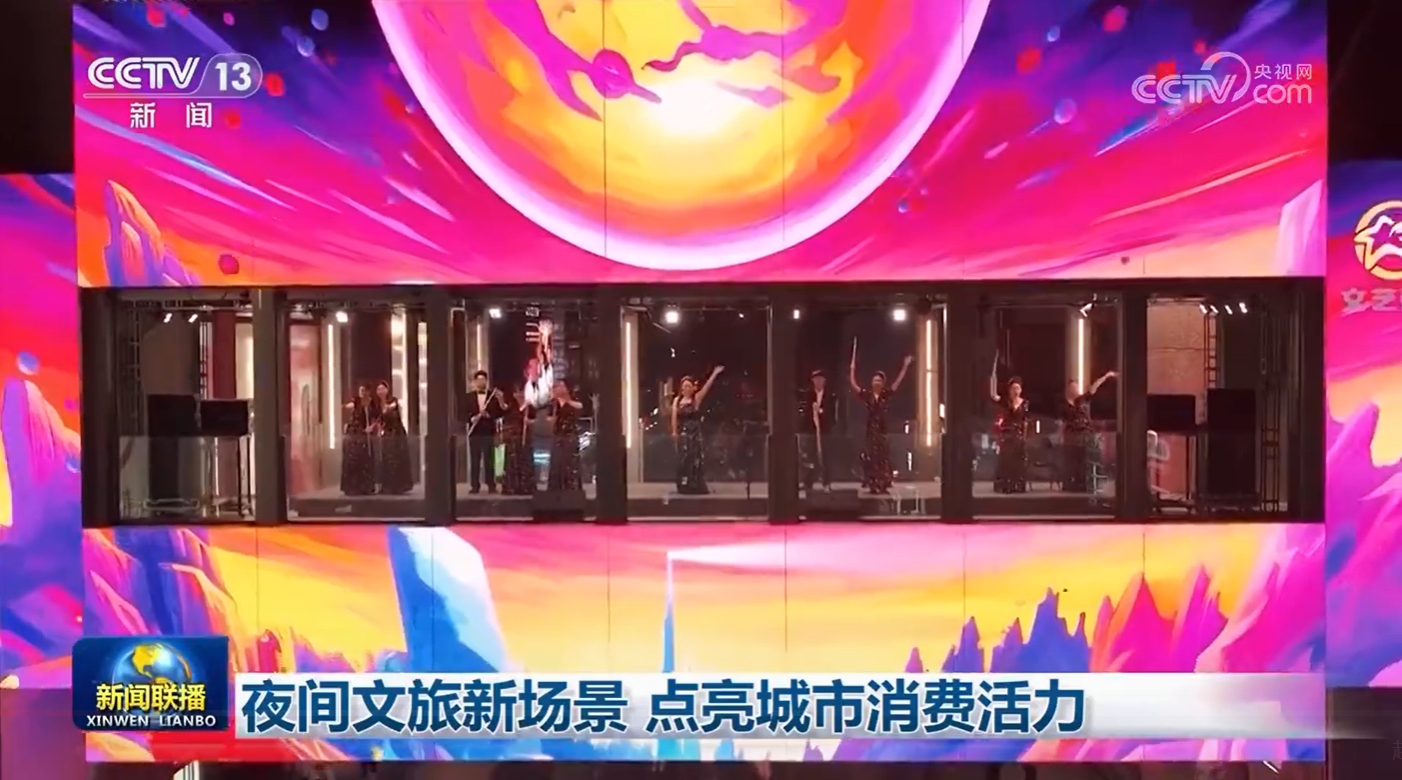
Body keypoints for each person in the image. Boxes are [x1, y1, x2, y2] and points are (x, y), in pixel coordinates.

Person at [850, 342, 912, 495]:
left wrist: (905, 366)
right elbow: (854, 385)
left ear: (882, 383)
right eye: (874, 380)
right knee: (870, 456)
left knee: (882, 456)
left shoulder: (885, 394)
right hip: (871, 430)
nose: (876, 383)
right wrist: (852, 370)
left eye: (879, 381)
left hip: (882, 430)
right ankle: (872, 482)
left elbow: (898, 382)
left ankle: (883, 482)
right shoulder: (867, 395)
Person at [1060, 371, 1116, 492]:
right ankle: (1072, 484)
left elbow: (1093, 388)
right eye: (1072, 387)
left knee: (1086, 459)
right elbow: (1063, 422)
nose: (1075, 389)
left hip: (1086, 434)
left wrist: (1106, 376)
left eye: (1076, 387)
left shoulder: (1082, 400)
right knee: (1073, 461)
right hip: (1072, 437)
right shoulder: (1064, 406)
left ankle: (1085, 483)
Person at [671, 365, 723, 495]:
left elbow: (706, 387)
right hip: (683, 434)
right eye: (684, 386)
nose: (686, 389)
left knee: (695, 458)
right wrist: (674, 432)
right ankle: (684, 484)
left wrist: (714, 374)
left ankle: (695, 484)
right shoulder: (677, 401)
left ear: (692, 388)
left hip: (694, 433)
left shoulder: (696, 399)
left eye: (689, 386)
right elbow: (674, 417)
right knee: (683, 459)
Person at [988, 353, 1029, 494]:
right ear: (1009, 390)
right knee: (1006, 460)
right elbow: (993, 396)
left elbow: (1026, 420)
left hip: (1018, 435)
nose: (1015, 391)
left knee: (1018, 460)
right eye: (1013, 388)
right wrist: (992, 378)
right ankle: (1005, 485)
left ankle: (1017, 485)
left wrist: (1025, 435)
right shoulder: (1005, 402)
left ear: (1021, 390)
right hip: (1007, 434)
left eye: (1017, 388)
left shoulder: (1025, 403)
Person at [463, 370, 505, 493]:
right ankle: (475, 486)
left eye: (483, 380)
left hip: (488, 432)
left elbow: (499, 413)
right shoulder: (468, 397)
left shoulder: (492, 396)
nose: (481, 382)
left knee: (489, 461)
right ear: (475, 382)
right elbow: (463, 412)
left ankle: (491, 485)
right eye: (479, 380)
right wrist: (473, 418)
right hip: (474, 433)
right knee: (474, 460)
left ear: (486, 381)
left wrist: (488, 415)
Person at [800, 369, 838, 492]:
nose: (818, 382)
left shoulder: (830, 395)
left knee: (826, 457)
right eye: (816, 380)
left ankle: (826, 482)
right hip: (811, 430)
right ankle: (808, 483)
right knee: (811, 457)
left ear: (824, 381)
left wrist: (821, 413)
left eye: (820, 379)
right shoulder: (809, 394)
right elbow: (805, 411)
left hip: (825, 430)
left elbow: (833, 413)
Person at [373, 381, 414, 495]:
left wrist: (385, 410)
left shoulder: (392, 400)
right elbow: (378, 419)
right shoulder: (376, 405)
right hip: (386, 434)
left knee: (395, 458)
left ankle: (398, 485)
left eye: (383, 389)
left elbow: (390, 411)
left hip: (396, 432)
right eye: (378, 389)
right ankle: (386, 486)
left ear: (387, 390)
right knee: (386, 459)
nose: (381, 391)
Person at [499, 384, 537, 495]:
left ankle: (526, 486)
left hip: (525, 436)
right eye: (517, 393)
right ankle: (512, 486)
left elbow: (535, 419)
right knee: (512, 461)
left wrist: (529, 422)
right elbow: (504, 409)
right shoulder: (511, 404)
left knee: (525, 459)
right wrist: (500, 399)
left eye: (521, 392)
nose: (519, 395)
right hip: (513, 436)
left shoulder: (529, 405)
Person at [340, 384, 377, 496]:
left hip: (364, 435)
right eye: (361, 390)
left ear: (368, 391)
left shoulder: (371, 403)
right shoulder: (355, 401)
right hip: (354, 433)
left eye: (364, 390)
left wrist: (371, 427)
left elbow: (375, 418)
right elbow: (347, 407)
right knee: (353, 459)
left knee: (365, 460)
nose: (362, 392)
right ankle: (352, 487)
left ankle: (365, 487)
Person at [547, 379, 584, 491]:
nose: (560, 388)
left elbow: (580, 406)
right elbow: (549, 418)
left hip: (570, 434)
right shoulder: (553, 403)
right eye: (558, 387)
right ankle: (556, 488)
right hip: (558, 434)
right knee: (557, 461)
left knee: (570, 462)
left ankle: (571, 487)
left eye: (562, 386)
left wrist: (568, 401)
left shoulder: (572, 398)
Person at [522, 319, 555, 408]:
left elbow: (542, 354)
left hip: (542, 395)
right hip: (540, 393)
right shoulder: (531, 387)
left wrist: (543, 335)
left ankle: (545, 334)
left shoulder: (543, 377)